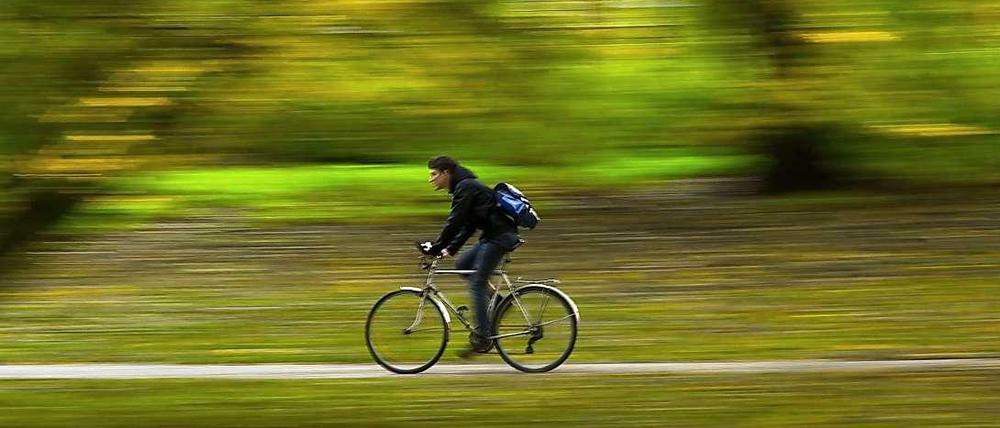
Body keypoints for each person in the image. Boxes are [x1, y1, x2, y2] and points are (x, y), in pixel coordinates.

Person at [420, 155, 522, 357]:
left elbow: (455, 221)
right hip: (493, 236)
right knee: (463, 264)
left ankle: (483, 336)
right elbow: (469, 224)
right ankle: (501, 302)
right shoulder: (465, 186)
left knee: (477, 282)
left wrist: (437, 246)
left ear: (446, 173)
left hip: (499, 238)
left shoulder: (465, 187)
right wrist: (449, 249)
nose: (431, 179)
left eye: (433, 175)